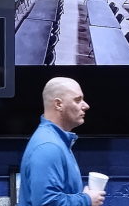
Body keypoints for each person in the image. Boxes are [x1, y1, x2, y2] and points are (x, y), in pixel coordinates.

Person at [18, 77, 105, 206]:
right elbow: (46, 203)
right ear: (58, 104)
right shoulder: (48, 147)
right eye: (77, 100)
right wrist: (86, 200)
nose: (86, 106)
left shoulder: (55, 142)